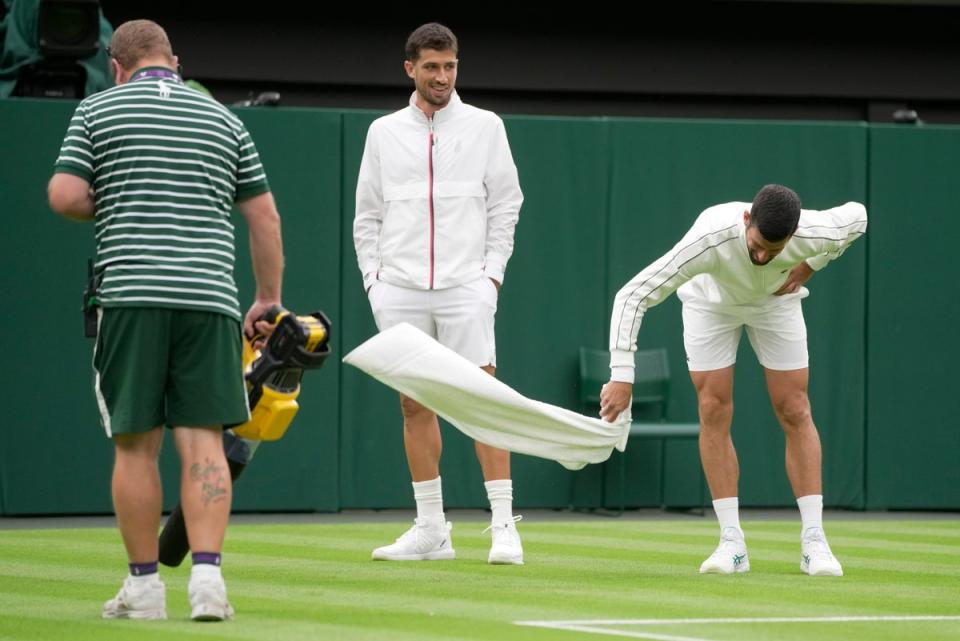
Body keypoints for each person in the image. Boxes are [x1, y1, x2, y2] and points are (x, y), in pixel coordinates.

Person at [47, 19, 284, 620]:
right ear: (174, 61)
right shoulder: (225, 120)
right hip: (209, 302)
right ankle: (208, 585)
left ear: (117, 65)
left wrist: (123, 194)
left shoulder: (98, 110)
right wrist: (267, 299)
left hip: (131, 299)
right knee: (203, 440)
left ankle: (145, 588)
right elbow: (264, 217)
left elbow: (65, 195)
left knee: (135, 447)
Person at [600, 184, 866, 576]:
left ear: (793, 236)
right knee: (712, 407)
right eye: (757, 245)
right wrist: (622, 375)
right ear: (746, 220)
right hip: (711, 306)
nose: (761, 256)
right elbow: (633, 295)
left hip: (775, 304)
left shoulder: (814, 231)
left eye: (772, 252)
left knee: (794, 408)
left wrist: (812, 265)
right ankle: (732, 544)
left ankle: (814, 541)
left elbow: (858, 216)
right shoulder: (709, 239)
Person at [353, 22, 525, 564]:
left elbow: (506, 204)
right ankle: (432, 529)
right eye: (432, 67)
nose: (442, 76)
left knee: (482, 398)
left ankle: (503, 525)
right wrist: (374, 283)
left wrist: (489, 278)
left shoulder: (486, 126)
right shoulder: (382, 132)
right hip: (398, 289)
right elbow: (367, 216)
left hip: (465, 287)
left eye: (450, 66)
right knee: (413, 404)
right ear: (411, 69)